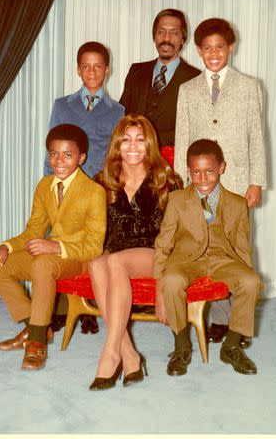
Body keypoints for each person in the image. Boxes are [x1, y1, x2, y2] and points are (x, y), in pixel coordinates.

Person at [174, 18, 266, 345]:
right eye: (207, 48)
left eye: (220, 47)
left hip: (237, 182)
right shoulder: (188, 90)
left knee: (237, 251)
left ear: (230, 48)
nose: (214, 53)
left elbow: (256, 135)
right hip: (199, 183)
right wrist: (181, 184)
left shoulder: (249, 86)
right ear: (198, 50)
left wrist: (256, 181)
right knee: (206, 249)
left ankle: (238, 326)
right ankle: (219, 319)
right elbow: (183, 137)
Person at [0, 124, 107, 371]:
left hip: (78, 258)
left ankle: (36, 343)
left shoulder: (94, 192)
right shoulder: (44, 186)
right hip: (50, 259)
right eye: (53, 154)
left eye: (67, 155)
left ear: (81, 158)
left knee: (42, 263)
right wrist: (5, 247)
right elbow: (33, 232)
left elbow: (94, 246)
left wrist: (56, 247)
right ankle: (36, 326)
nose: (59, 161)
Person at [88, 114, 183, 390]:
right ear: (117, 145)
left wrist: (163, 286)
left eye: (140, 140)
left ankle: (110, 354)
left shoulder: (168, 181)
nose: (133, 146)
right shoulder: (104, 182)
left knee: (115, 261)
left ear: (150, 144)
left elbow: (176, 238)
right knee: (97, 264)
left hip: (155, 255)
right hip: (118, 254)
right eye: (126, 140)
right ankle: (130, 355)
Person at [154, 139, 263, 376]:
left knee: (251, 281)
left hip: (222, 259)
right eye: (196, 172)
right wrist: (158, 288)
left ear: (222, 167)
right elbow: (163, 244)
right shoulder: (177, 200)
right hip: (186, 261)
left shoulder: (237, 203)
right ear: (188, 170)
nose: (203, 179)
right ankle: (181, 346)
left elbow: (243, 247)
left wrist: (244, 279)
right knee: (171, 281)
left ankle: (232, 346)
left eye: (210, 171)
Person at [44, 41, 124, 335]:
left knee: (93, 246)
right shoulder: (62, 105)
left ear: (107, 70)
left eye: (98, 66)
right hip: (65, 185)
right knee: (60, 244)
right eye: (86, 66)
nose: (92, 71)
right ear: (78, 70)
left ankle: (89, 309)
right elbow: (50, 150)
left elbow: (116, 156)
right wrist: (49, 187)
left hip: (99, 189)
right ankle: (60, 310)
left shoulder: (117, 111)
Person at [120, 9, 200, 147]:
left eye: (174, 32)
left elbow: (193, 130)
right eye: (161, 31)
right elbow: (122, 116)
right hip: (133, 159)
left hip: (172, 163)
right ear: (154, 36)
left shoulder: (196, 78)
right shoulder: (136, 72)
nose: (166, 38)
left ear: (182, 39)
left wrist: (148, 139)